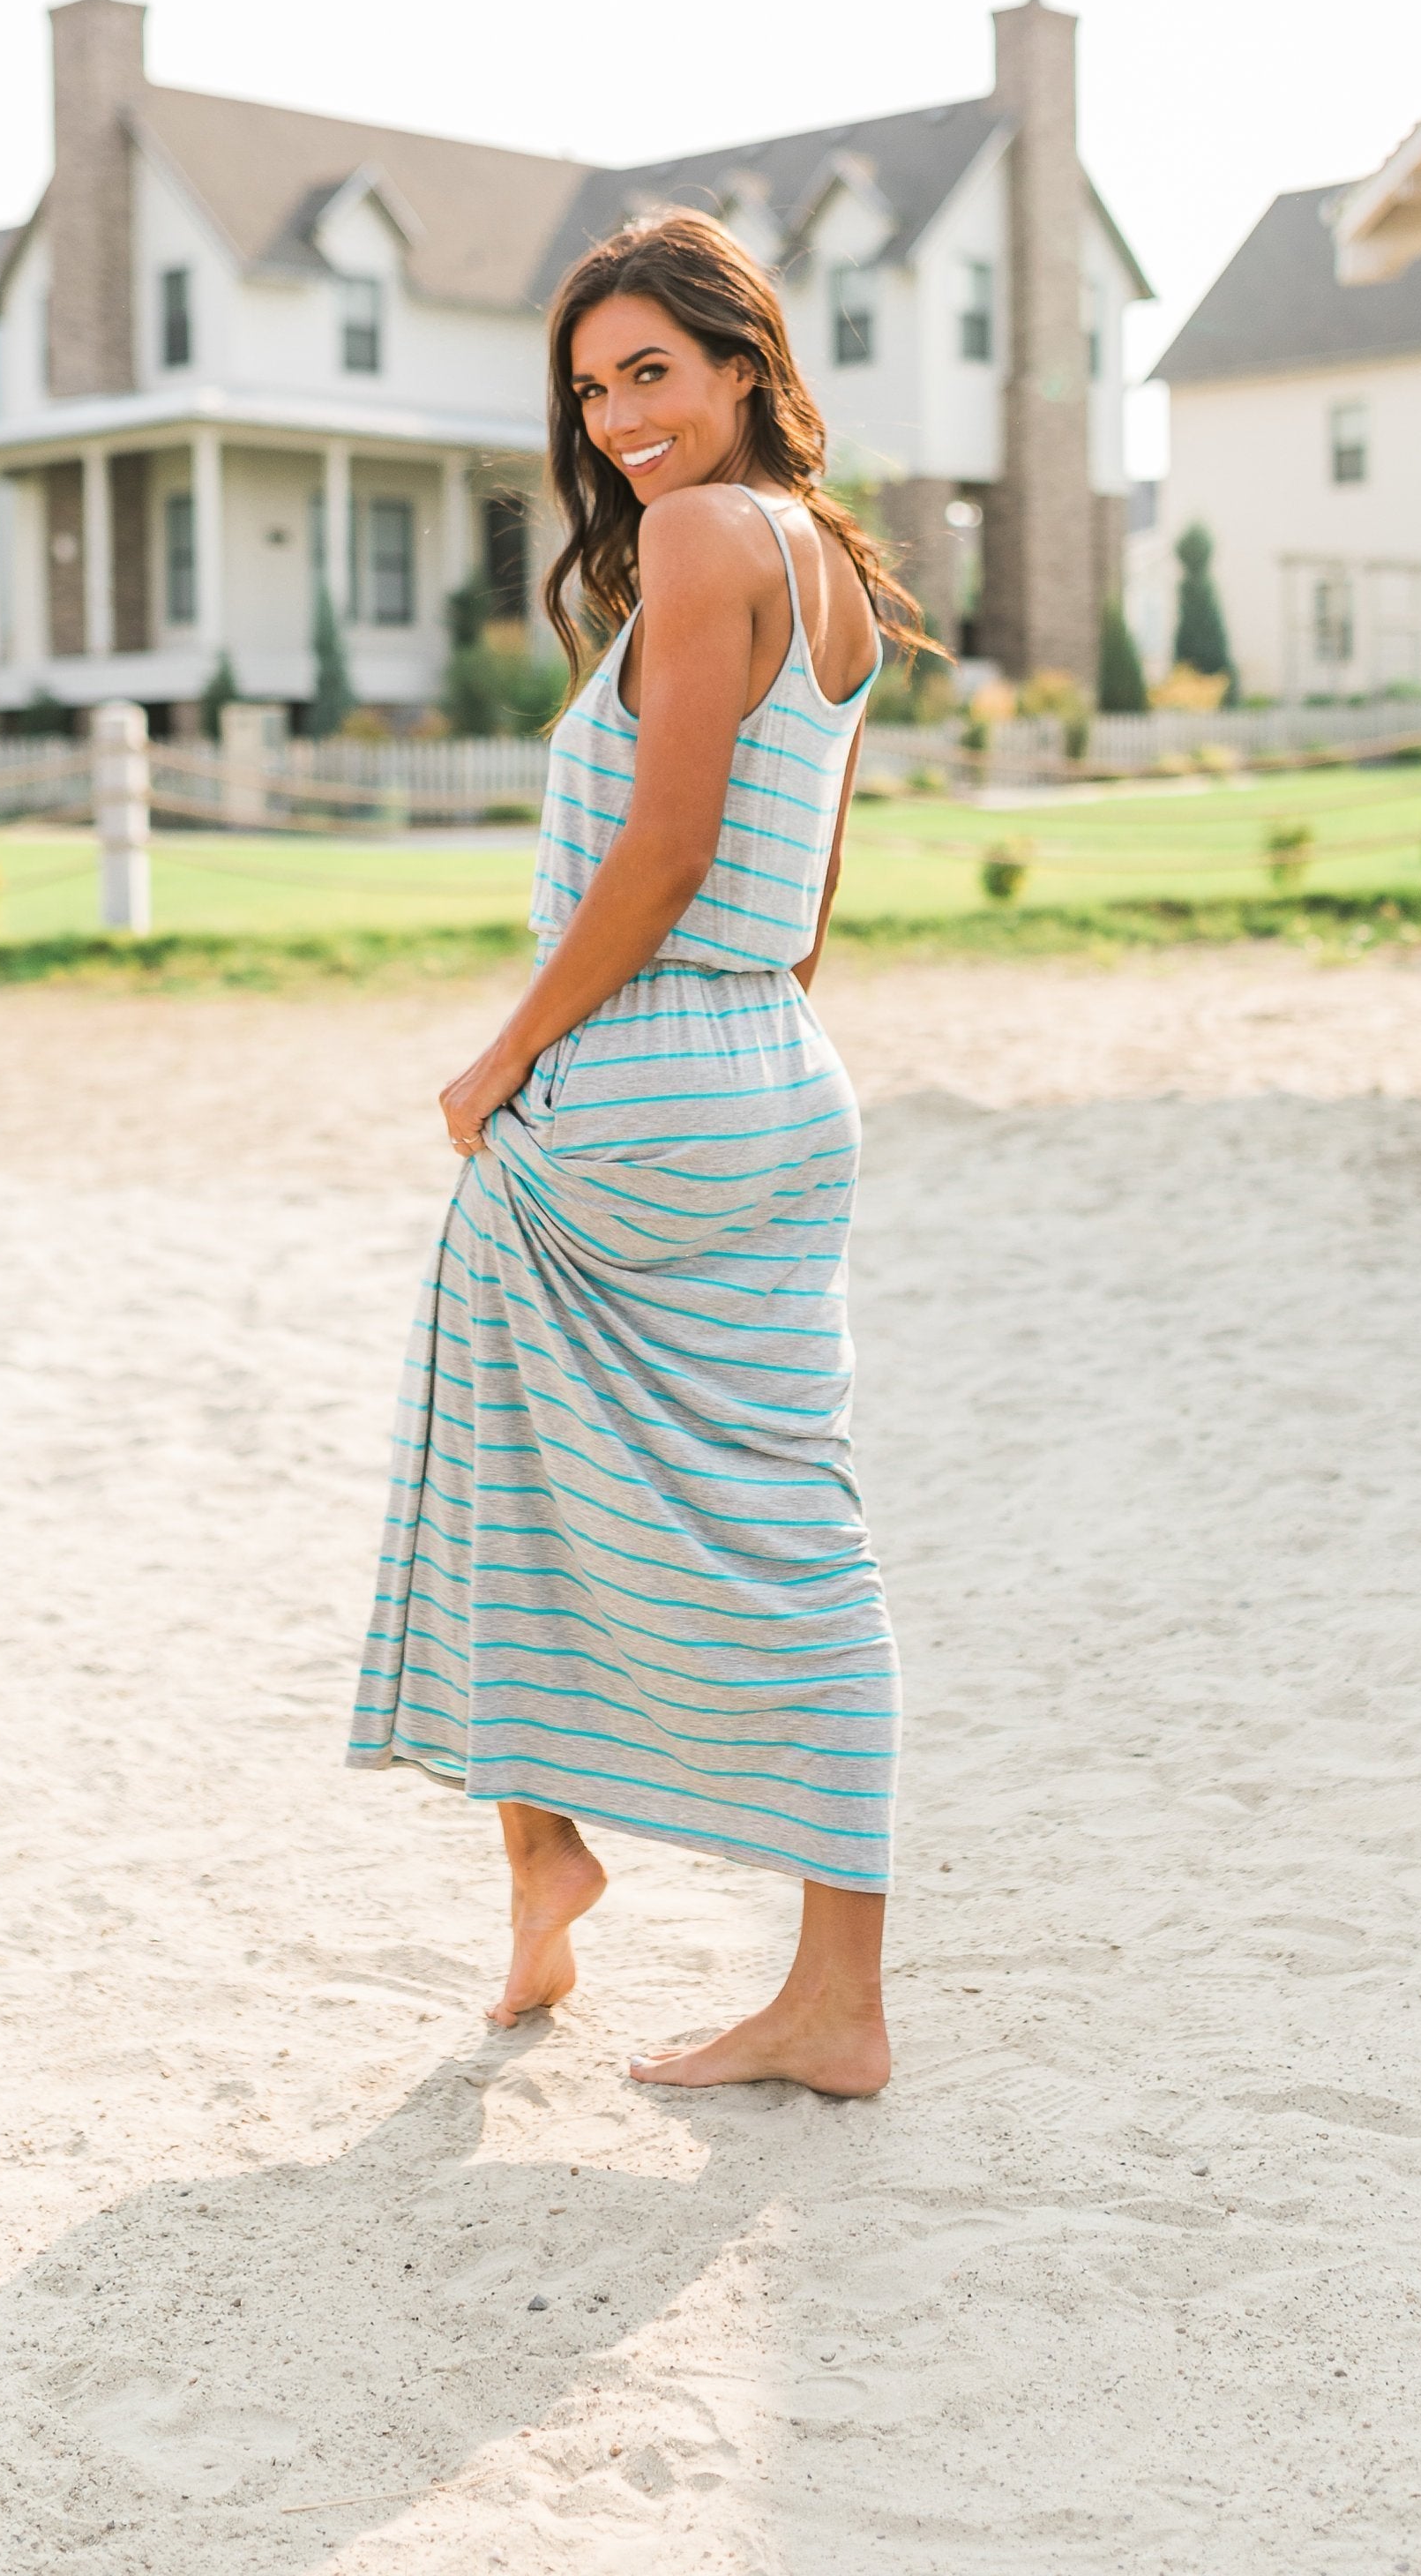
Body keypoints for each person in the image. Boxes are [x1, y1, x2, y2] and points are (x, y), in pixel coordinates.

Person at [348, 208, 931, 2094]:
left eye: (651, 374)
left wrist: (503, 1060)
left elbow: (665, 846)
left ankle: (544, 1853)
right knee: (795, 1521)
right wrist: (749, 1042)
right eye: (592, 390)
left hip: (640, 1074)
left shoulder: (697, 538)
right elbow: (801, 882)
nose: (617, 420)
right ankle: (828, 1990)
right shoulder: (828, 567)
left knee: (484, 1452)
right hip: (779, 1072)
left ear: (744, 368)